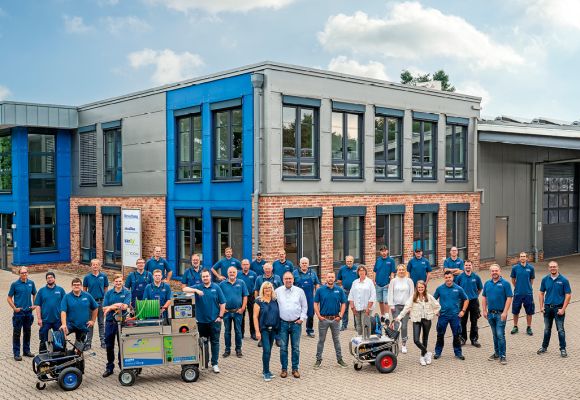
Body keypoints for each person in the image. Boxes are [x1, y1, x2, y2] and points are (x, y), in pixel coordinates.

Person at [183, 270, 226, 373]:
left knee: (215, 342)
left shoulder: (216, 287)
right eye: (203, 277)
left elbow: (223, 303)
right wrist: (196, 291)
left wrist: (220, 316)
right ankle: (203, 362)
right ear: (201, 278)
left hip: (214, 321)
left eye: (207, 276)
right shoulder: (198, 287)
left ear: (210, 277)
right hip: (201, 321)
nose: (205, 278)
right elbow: (184, 289)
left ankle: (214, 363)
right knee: (202, 342)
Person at [394, 280, 440, 366]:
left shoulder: (429, 297)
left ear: (425, 288)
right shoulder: (413, 297)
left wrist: (433, 312)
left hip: (427, 320)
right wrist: (399, 317)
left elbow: (437, 306)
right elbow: (406, 308)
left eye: (422, 287)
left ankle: (422, 357)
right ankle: (427, 353)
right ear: (416, 288)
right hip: (416, 320)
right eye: (419, 287)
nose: (420, 289)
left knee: (425, 339)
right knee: (416, 340)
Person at [313, 271, 348, 369]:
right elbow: (315, 303)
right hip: (323, 319)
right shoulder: (320, 290)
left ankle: (340, 359)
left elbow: (344, 303)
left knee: (336, 340)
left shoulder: (339, 290)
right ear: (326, 278)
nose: (330, 279)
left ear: (335, 278)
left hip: (335, 319)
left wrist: (340, 316)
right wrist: (319, 316)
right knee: (321, 340)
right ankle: (318, 360)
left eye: (332, 277)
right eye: (329, 277)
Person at [275, 271, 307, 379]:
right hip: (283, 323)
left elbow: (305, 306)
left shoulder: (299, 291)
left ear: (293, 279)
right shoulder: (277, 291)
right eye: (286, 279)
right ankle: (284, 369)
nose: (288, 280)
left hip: (296, 324)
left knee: (296, 348)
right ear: (283, 280)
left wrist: (302, 319)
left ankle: (295, 369)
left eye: (290, 278)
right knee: (283, 347)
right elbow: (273, 305)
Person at [537, 260, 572, 358]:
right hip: (547, 308)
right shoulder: (545, 279)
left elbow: (568, 295)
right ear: (549, 268)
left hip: (559, 309)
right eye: (551, 267)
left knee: (560, 330)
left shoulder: (564, 280)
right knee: (547, 329)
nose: (553, 268)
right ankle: (544, 347)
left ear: (558, 267)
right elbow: (541, 293)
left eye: (554, 266)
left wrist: (563, 309)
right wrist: (541, 306)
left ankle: (563, 349)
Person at [481, 264, 513, 365]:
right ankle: (496, 353)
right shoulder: (487, 284)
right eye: (492, 271)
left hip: (500, 314)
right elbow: (484, 297)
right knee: (495, 335)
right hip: (490, 314)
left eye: (496, 270)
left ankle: (503, 356)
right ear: (490, 272)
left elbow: (509, 298)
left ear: (500, 271)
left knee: (500, 335)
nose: (494, 272)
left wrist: (505, 312)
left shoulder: (505, 284)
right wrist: (484, 310)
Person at [433, 271, 468, 360]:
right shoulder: (440, 288)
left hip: (455, 316)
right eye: (446, 277)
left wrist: (463, 311)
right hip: (443, 316)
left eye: (450, 277)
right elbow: (433, 300)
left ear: (453, 277)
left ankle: (458, 353)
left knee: (456, 335)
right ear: (444, 278)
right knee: (440, 334)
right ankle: (438, 352)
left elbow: (466, 299)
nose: (448, 279)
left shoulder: (458, 288)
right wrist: (436, 310)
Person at [102, 274, 131, 378]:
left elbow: (125, 307)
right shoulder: (109, 293)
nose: (118, 283)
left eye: (120, 281)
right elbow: (104, 308)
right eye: (116, 281)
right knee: (109, 346)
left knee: (121, 346)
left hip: (121, 323)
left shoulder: (127, 292)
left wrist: (111, 308)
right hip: (110, 322)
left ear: (122, 281)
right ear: (113, 282)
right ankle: (109, 367)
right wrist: (112, 307)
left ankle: (122, 366)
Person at [7, 266, 37, 361]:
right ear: (19, 274)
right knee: (17, 333)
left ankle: (26, 351)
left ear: (28, 273)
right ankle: (16, 353)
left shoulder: (31, 283)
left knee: (27, 332)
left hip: (28, 312)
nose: (24, 274)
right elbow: (9, 298)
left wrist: (34, 304)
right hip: (19, 313)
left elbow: (34, 294)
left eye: (25, 272)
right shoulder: (15, 284)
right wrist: (14, 308)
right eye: (22, 273)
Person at [60, 277, 98, 350]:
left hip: (82, 325)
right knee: (61, 335)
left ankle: (78, 358)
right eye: (74, 285)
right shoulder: (67, 297)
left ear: (81, 286)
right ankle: (63, 353)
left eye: (78, 285)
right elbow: (63, 311)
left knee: (79, 348)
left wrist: (93, 321)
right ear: (71, 286)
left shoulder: (87, 296)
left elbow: (95, 307)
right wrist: (64, 324)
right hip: (70, 324)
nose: (76, 286)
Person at [253, 282, 280, 381]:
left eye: (269, 288)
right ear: (262, 289)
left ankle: (267, 370)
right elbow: (255, 317)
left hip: (273, 330)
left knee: (269, 351)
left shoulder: (275, 300)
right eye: (266, 288)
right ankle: (265, 372)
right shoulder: (259, 301)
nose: (268, 290)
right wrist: (257, 331)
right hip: (264, 330)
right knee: (266, 350)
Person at [220, 266, 249, 358]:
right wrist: (221, 309)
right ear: (227, 273)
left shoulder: (241, 283)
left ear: (236, 273)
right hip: (226, 312)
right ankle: (227, 349)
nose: (232, 274)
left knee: (238, 331)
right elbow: (218, 297)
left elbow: (245, 296)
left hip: (238, 312)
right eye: (230, 272)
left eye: (233, 272)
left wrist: (243, 308)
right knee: (227, 332)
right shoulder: (222, 284)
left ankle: (238, 349)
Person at [34, 272, 65, 353]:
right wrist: (39, 319)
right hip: (45, 321)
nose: (50, 279)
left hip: (57, 321)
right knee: (43, 340)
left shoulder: (60, 290)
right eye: (48, 278)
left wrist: (64, 321)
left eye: (51, 277)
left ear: (54, 279)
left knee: (58, 340)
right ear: (46, 280)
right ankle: (43, 358)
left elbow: (65, 305)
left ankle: (58, 357)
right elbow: (37, 305)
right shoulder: (41, 291)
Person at [387, 264, 414, 353]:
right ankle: (395, 343)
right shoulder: (393, 281)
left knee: (404, 326)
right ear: (397, 271)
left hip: (406, 307)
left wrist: (410, 306)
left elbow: (412, 294)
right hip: (396, 306)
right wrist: (391, 305)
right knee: (397, 326)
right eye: (399, 270)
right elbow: (390, 293)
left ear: (405, 271)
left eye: (403, 270)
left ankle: (404, 344)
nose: (401, 271)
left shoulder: (409, 281)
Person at [254, 263, 282, 347]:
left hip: (274, 302)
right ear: (263, 269)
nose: (267, 270)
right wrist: (257, 301)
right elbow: (256, 290)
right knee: (262, 320)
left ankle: (277, 338)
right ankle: (262, 339)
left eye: (269, 268)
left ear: (272, 269)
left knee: (276, 319)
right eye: (266, 268)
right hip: (263, 302)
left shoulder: (277, 278)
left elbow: (281, 290)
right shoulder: (259, 278)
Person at [456, 259, 483, 347]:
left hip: (473, 302)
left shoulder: (476, 277)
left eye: (469, 265)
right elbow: (457, 289)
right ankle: (462, 339)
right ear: (464, 266)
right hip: (463, 302)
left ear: (472, 266)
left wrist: (474, 295)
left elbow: (479, 289)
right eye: (466, 265)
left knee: (474, 321)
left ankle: (474, 339)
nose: (468, 267)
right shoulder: (460, 277)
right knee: (462, 322)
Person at [83, 259, 109, 349]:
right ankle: (88, 343)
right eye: (93, 265)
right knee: (90, 323)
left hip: (101, 301)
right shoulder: (87, 277)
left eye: (97, 264)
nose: (95, 266)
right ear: (91, 266)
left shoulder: (103, 276)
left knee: (101, 323)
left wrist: (105, 298)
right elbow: (84, 289)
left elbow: (106, 287)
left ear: (99, 266)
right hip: (91, 303)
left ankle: (103, 341)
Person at [293, 257, 320, 338]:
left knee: (311, 315)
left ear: (308, 264)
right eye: (303, 263)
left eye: (306, 263)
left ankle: (310, 330)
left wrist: (317, 294)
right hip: (298, 298)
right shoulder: (295, 273)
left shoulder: (313, 273)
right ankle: (296, 330)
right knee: (297, 314)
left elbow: (317, 283)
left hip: (310, 297)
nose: (304, 264)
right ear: (300, 264)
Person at [510, 252, 535, 335]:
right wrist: (517, 287)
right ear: (519, 258)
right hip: (518, 293)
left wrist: (528, 287)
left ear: (526, 258)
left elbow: (531, 280)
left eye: (524, 256)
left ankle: (529, 327)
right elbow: (513, 279)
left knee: (529, 311)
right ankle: (515, 326)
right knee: (515, 311)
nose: (523, 258)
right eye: (521, 256)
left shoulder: (531, 268)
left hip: (528, 293)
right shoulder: (515, 268)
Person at [348, 265, 376, 338]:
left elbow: (373, 296)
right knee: (358, 325)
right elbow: (351, 295)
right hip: (357, 308)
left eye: (363, 270)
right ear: (358, 272)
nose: (361, 272)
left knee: (365, 325)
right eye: (360, 270)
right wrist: (352, 307)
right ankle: (360, 339)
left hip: (366, 308)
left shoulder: (369, 282)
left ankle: (366, 339)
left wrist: (368, 308)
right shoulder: (355, 282)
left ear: (365, 272)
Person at [336, 255, 358, 331]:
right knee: (344, 309)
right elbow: (339, 280)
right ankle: (344, 325)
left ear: (353, 261)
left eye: (350, 261)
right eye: (347, 261)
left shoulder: (356, 269)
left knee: (355, 309)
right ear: (345, 261)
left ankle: (357, 325)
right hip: (345, 291)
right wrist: (342, 285)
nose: (349, 263)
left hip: (355, 292)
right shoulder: (342, 269)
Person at [237, 259, 258, 340]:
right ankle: (241, 333)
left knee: (252, 315)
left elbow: (256, 286)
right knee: (241, 315)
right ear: (241, 265)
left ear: (249, 265)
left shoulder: (253, 274)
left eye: (247, 264)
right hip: (241, 296)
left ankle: (253, 333)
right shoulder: (238, 274)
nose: (245, 266)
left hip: (251, 296)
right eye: (244, 264)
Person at [374, 246, 396, 321]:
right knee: (380, 301)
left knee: (386, 301)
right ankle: (382, 315)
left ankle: (387, 316)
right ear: (380, 252)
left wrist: (391, 282)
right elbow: (375, 271)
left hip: (386, 284)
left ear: (387, 251)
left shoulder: (391, 261)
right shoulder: (378, 260)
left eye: (385, 251)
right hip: (378, 284)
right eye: (382, 251)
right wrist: (374, 281)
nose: (383, 252)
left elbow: (392, 272)